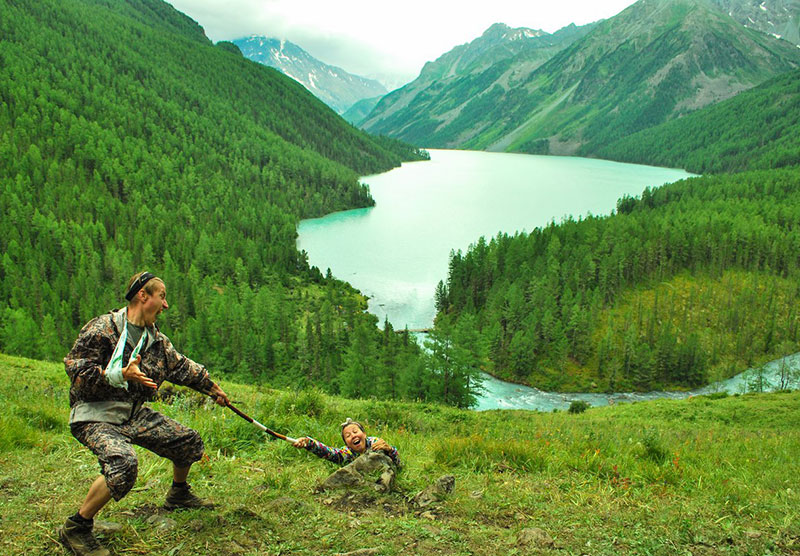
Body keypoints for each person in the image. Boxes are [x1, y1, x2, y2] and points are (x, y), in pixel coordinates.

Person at [59, 271, 230, 556]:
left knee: (188, 441)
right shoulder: (103, 329)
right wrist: (116, 375)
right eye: (161, 297)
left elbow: (182, 367)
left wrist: (211, 388)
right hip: (94, 416)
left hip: (132, 415)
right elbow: (77, 373)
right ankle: (77, 527)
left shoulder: (156, 342)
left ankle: (178, 494)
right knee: (124, 465)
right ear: (143, 295)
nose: (165, 305)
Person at [292, 418, 401, 467]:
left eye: (355, 431)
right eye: (348, 436)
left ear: (364, 434)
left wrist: (390, 450)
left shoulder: (375, 443)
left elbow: (399, 464)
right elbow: (329, 452)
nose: (353, 436)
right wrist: (308, 443)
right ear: (346, 444)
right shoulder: (347, 453)